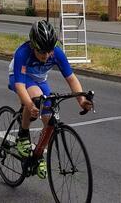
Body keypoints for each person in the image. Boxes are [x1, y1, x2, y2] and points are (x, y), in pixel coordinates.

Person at [8, 20, 93, 179]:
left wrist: (81, 100)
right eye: (42, 52)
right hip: (20, 77)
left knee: (50, 121)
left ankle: (38, 154)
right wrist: (30, 104)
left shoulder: (56, 52)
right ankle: (23, 135)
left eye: (49, 52)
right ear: (33, 46)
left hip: (40, 79)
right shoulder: (23, 53)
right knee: (35, 98)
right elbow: (20, 86)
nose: (46, 56)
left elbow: (71, 78)